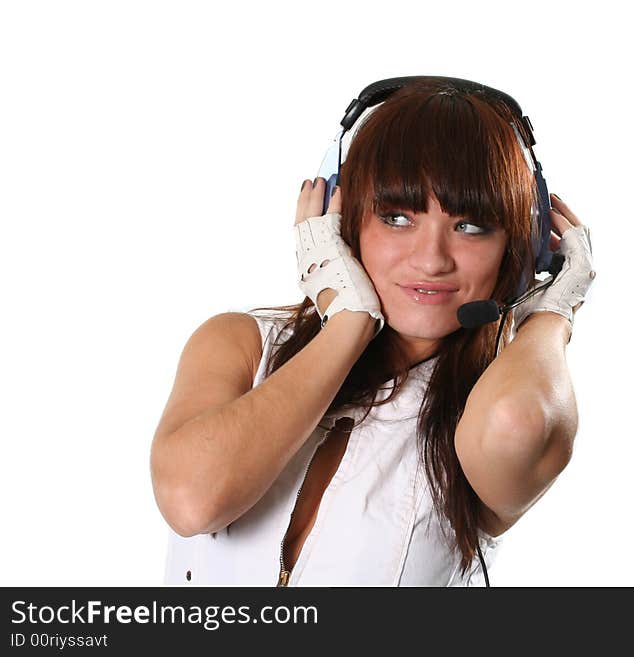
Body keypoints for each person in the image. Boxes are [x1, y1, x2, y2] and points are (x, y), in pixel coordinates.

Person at [150, 79, 595, 586]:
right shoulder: (239, 344)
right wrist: (350, 319)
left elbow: (516, 422)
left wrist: (554, 312)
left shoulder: (490, 408)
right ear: (344, 221)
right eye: (397, 216)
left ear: (521, 249)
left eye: (470, 226)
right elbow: (192, 500)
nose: (431, 260)